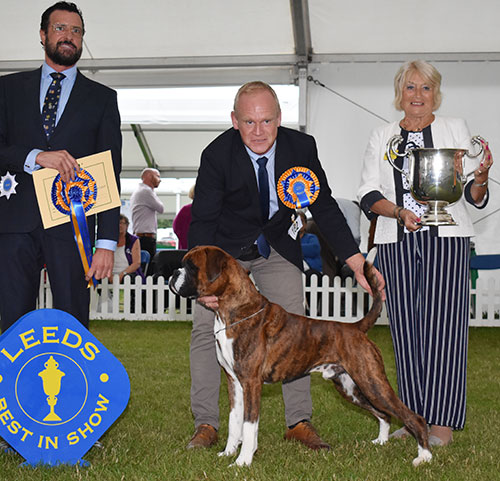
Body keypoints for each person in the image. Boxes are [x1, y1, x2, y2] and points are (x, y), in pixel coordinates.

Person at [187, 81, 385, 450]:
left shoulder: (302, 147)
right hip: (227, 253)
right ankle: (206, 424)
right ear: (234, 121)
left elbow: (323, 206)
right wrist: (203, 287)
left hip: (277, 245)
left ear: (279, 119)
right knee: (204, 331)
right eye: (249, 122)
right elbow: (202, 221)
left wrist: (355, 259)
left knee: (296, 326)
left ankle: (298, 422)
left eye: (266, 121)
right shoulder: (216, 155)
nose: (258, 131)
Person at [358, 60, 493, 447]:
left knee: (445, 327)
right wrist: (399, 213)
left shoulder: (455, 128)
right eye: (411, 88)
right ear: (399, 93)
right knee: (405, 329)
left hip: (447, 236)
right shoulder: (381, 135)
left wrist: (480, 179)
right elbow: (369, 194)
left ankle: (443, 422)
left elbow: (470, 195)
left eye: (426, 88)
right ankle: (413, 417)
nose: (418, 96)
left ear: (437, 93)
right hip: (396, 237)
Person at [0, 2, 122, 331]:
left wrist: (107, 244)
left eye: (76, 31)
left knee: (73, 321)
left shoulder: (103, 98)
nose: (68, 36)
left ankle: (72, 383)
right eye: (60, 28)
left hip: (73, 228)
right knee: (11, 324)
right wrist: (35, 156)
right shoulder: (7, 89)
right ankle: (12, 385)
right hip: (14, 225)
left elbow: (110, 171)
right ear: (42, 35)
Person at [130, 167, 164, 260]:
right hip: (145, 238)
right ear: (149, 176)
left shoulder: (140, 191)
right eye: (157, 176)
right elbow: (161, 208)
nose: (159, 180)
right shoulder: (146, 191)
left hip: (141, 236)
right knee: (149, 268)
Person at [110, 214, 145, 283]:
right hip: (110, 273)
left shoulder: (133, 240)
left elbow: (136, 263)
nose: (119, 226)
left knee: (128, 279)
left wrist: (122, 274)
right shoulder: (108, 240)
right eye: (117, 223)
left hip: (128, 273)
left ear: (127, 226)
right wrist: (109, 275)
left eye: (121, 223)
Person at [173, 184, 195, 249]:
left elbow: (176, 227)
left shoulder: (185, 209)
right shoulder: (211, 210)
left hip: (185, 247)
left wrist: (183, 238)